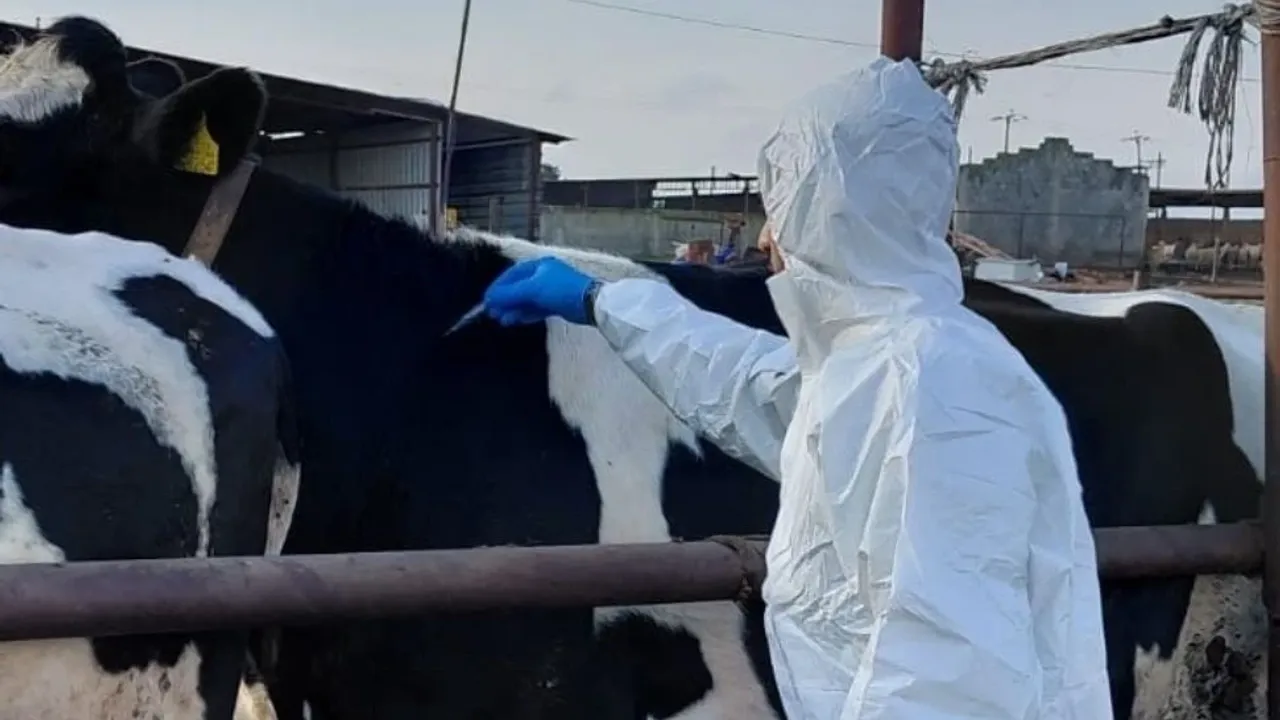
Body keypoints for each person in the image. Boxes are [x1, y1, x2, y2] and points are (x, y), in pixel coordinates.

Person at [479, 57, 1112, 719]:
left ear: (827, 212)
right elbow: (748, 387)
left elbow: (947, 684)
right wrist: (602, 302)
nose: (766, 235)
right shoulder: (890, 362)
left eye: (781, 201)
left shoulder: (929, 390)